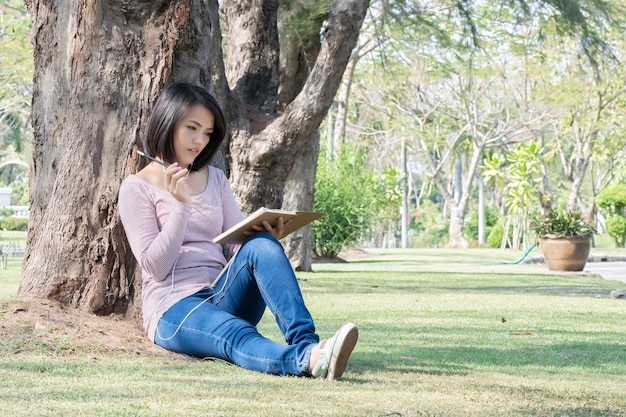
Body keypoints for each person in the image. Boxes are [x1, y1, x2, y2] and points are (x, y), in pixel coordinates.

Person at [118, 82, 358, 379]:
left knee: (259, 244)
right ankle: (306, 360)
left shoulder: (215, 178)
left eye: (207, 133)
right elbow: (155, 267)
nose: (199, 141)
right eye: (192, 128)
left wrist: (266, 238)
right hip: (174, 308)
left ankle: (310, 346)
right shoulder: (136, 187)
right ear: (167, 122)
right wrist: (181, 207)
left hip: (222, 291)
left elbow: (236, 245)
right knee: (236, 332)